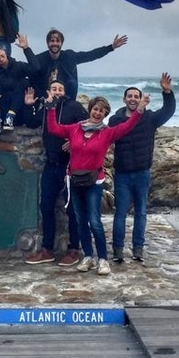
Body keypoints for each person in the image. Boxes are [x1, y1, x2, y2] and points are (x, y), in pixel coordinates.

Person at [45, 93, 148, 276]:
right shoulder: (75, 129)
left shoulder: (107, 132)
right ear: (90, 110)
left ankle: (102, 259)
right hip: (75, 181)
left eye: (102, 111)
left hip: (94, 182)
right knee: (80, 221)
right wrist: (51, 107)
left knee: (94, 221)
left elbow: (127, 126)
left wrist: (139, 110)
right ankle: (88, 257)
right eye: (95, 109)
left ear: (105, 114)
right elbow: (53, 128)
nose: (98, 113)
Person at [109, 73, 176, 263]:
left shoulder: (150, 118)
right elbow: (105, 138)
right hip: (122, 174)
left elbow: (169, 110)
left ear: (140, 100)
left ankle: (138, 248)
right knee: (120, 213)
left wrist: (167, 91)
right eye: (129, 96)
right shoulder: (115, 120)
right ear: (124, 99)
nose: (132, 99)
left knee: (141, 213)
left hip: (142, 173)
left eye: (136, 96)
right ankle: (118, 249)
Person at [22, 81, 87, 267]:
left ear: (64, 92)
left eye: (60, 89)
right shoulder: (45, 107)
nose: (57, 91)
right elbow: (32, 122)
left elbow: (89, 126)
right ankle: (47, 250)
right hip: (51, 165)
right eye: (54, 89)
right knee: (46, 206)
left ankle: (74, 249)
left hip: (70, 166)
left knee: (72, 209)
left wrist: (74, 141)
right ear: (48, 91)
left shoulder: (74, 106)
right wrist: (29, 106)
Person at [20, 28, 128, 98]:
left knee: (72, 82)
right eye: (52, 41)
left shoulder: (69, 56)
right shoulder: (39, 58)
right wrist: (25, 48)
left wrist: (111, 47)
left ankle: (69, 106)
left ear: (61, 43)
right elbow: (29, 70)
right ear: (47, 43)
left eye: (57, 41)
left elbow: (91, 55)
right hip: (45, 95)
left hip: (66, 95)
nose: (55, 44)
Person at [0, 42, 32, 134]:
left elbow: (36, 69)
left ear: (4, 51)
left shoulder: (18, 66)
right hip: (1, 112)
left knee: (24, 82)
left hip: (17, 113)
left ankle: (11, 115)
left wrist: (26, 48)